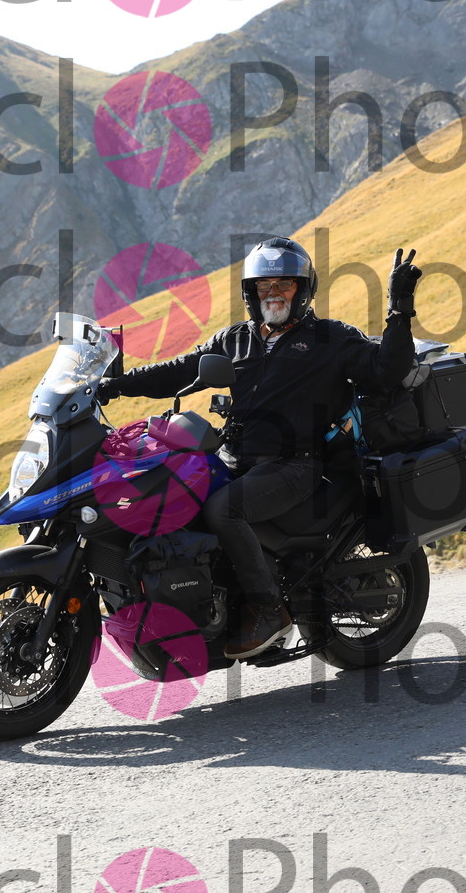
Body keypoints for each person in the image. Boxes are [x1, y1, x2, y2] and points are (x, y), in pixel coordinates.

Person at [96, 236, 422, 659]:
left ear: (303, 289)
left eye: (284, 284)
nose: (273, 293)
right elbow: (179, 370)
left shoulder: (330, 338)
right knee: (172, 492)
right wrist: (116, 385)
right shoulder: (235, 340)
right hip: (234, 458)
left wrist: (399, 308)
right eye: (264, 285)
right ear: (250, 292)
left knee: (224, 510)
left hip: (295, 464)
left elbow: (387, 369)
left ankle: (268, 609)